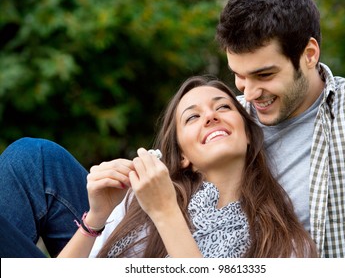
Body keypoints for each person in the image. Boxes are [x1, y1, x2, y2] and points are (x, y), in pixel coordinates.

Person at [56, 75, 316, 258]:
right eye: (192, 116)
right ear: (182, 156)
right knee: (32, 155)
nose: (211, 117)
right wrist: (96, 218)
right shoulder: (140, 201)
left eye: (223, 107)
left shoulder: (284, 240)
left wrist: (165, 212)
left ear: (248, 133)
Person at [215, 0, 345, 257]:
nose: (249, 94)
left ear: (309, 54)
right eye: (239, 75)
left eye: (264, 75)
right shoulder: (226, 123)